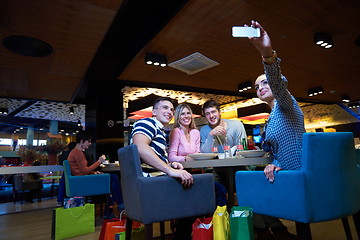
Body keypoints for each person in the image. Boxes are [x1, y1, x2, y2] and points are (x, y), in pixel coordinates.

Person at [130, 97, 226, 240]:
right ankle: (212, 232)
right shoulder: (147, 122)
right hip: (153, 186)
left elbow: (152, 156)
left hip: (154, 183)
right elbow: (139, 147)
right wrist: (170, 170)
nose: (169, 111)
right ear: (154, 111)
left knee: (200, 188)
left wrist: (170, 165)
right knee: (216, 189)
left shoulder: (160, 130)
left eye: (171, 109)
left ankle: (186, 232)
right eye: (165, 108)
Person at [244, 20, 305, 240]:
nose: (260, 87)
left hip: (298, 175)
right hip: (284, 172)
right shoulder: (272, 117)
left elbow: (278, 83)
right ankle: (272, 231)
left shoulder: (287, 104)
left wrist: (267, 53)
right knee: (249, 181)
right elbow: (278, 153)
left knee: (249, 185)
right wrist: (275, 164)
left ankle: (273, 232)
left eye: (264, 83)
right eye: (257, 86)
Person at [68, 130, 123, 216]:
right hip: (83, 182)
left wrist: (94, 172)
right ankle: (119, 205)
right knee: (113, 178)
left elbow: (82, 170)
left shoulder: (75, 152)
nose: (90, 144)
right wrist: (99, 161)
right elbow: (84, 171)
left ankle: (111, 210)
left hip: (80, 181)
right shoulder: (78, 153)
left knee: (110, 180)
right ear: (82, 141)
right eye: (88, 141)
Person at [200, 99, 247, 185]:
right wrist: (211, 135)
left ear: (219, 112)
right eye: (207, 114)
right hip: (217, 170)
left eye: (213, 112)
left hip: (238, 167)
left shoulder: (237, 125)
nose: (211, 116)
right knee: (211, 186)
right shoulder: (204, 130)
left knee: (245, 185)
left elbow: (242, 149)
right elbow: (205, 154)